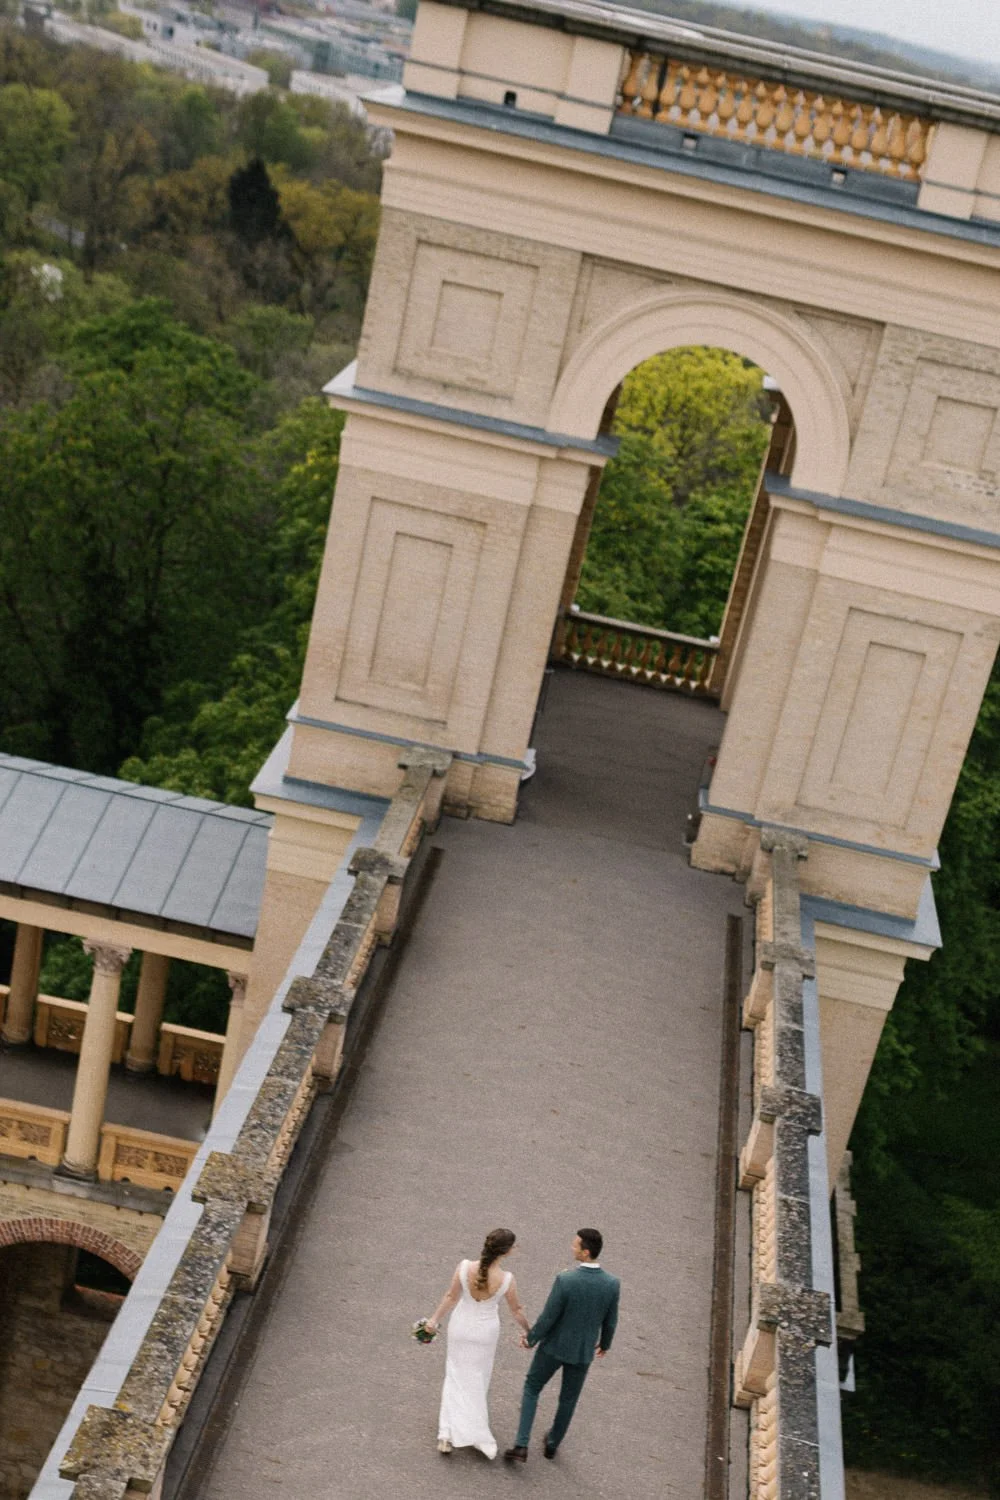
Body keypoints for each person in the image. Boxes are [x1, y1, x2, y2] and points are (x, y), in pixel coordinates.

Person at [504, 1227, 620, 1464]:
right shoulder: (611, 1284)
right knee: (568, 1399)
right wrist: (605, 1344)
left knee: (532, 1387)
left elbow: (549, 1316)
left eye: (575, 1245)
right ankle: (552, 1444)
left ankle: (521, 1444)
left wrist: (531, 1338)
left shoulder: (566, 1280)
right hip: (582, 1352)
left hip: (554, 1347)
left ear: (585, 1252)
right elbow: (611, 1320)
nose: (571, 1247)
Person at [425, 1228, 530, 1459]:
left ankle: (446, 1434)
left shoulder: (464, 1267)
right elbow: (516, 1311)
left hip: (460, 1327)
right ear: (506, 1251)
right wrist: (530, 1333)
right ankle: (474, 1430)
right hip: (485, 1333)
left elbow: (451, 1297)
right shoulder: (507, 1279)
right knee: (478, 1379)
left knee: (454, 1375)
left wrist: (433, 1321)